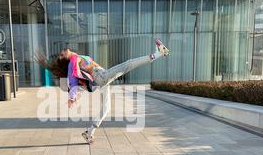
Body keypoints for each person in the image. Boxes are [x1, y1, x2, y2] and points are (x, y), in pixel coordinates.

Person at [36, 38, 169, 144]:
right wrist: (72, 97)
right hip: (101, 77)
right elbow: (72, 81)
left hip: (101, 77)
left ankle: (89, 133)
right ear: (66, 57)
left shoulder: (75, 56)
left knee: (106, 108)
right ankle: (158, 54)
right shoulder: (72, 62)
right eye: (63, 52)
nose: (65, 50)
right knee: (127, 64)